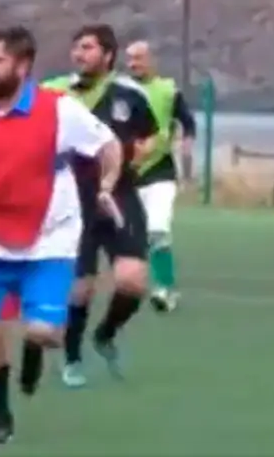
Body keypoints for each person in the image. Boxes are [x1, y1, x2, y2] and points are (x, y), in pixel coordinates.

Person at [0, 25, 122, 444]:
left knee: (43, 332)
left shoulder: (58, 110)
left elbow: (108, 145)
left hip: (51, 237)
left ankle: (35, 347)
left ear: (23, 65)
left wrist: (106, 186)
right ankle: (1, 418)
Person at [40, 24, 158, 388]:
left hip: (119, 195)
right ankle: (72, 358)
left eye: (88, 48)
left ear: (108, 54)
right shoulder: (53, 92)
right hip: (71, 199)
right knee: (80, 288)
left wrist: (138, 155)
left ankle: (105, 334)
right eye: (76, 48)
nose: (79, 54)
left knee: (132, 282)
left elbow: (150, 134)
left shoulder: (129, 94)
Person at [125, 41, 196, 313]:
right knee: (127, 236)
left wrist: (187, 142)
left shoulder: (168, 90)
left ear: (152, 59)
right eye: (130, 59)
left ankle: (165, 289)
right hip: (128, 173)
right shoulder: (119, 91)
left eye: (139, 58)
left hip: (160, 172)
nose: (134, 64)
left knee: (158, 228)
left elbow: (187, 122)